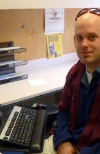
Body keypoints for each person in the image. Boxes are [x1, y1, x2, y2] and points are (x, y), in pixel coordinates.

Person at [39, 8, 100, 154]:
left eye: (92, 37)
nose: (84, 44)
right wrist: (63, 141)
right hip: (68, 142)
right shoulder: (75, 73)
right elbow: (64, 111)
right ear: (74, 40)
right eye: (79, 38)